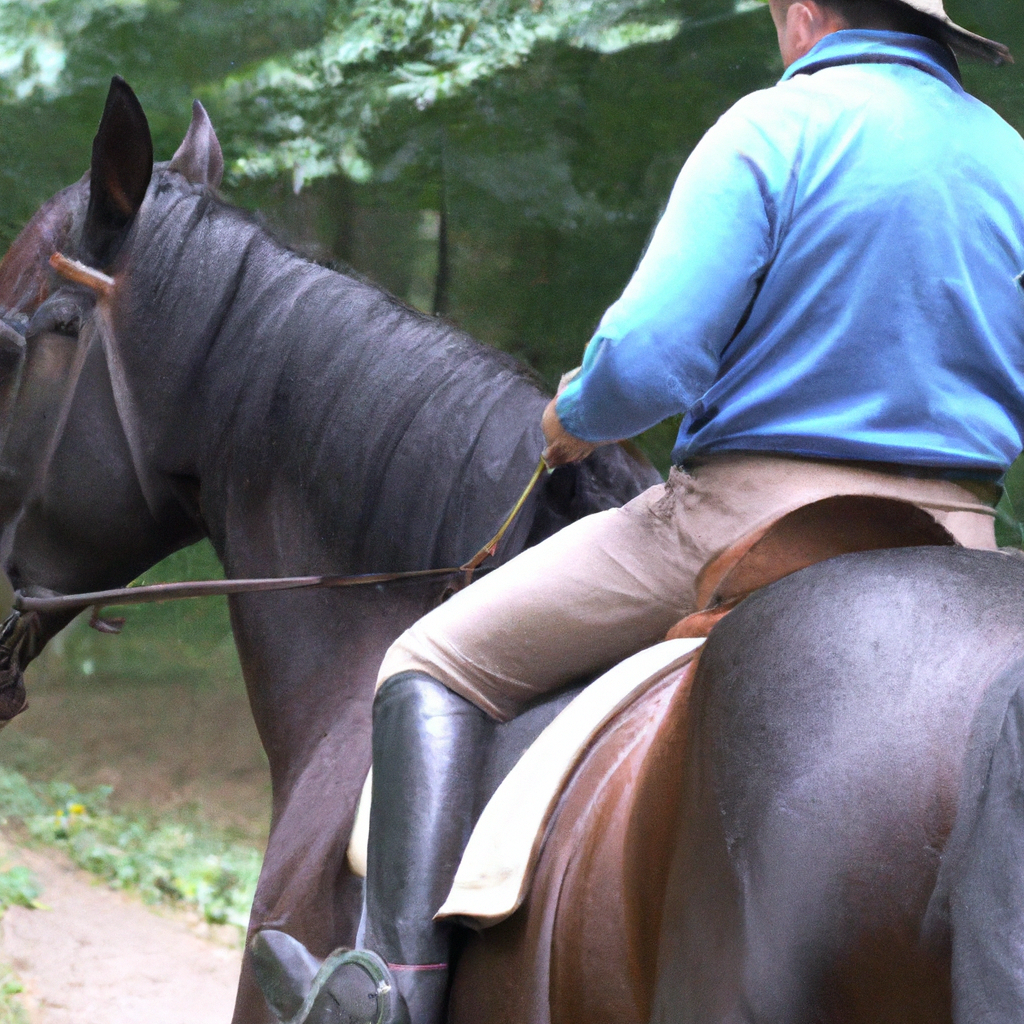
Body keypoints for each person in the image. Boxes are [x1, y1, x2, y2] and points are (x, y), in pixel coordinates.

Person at [252, 2, 1024, 1021]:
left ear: (804, 15)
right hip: (963, 543)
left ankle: (386, 989)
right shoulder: (1010, 156)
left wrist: (577, 413)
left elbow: (649, 360)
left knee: (430, 662)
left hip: (746, 522)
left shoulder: (773, 127)